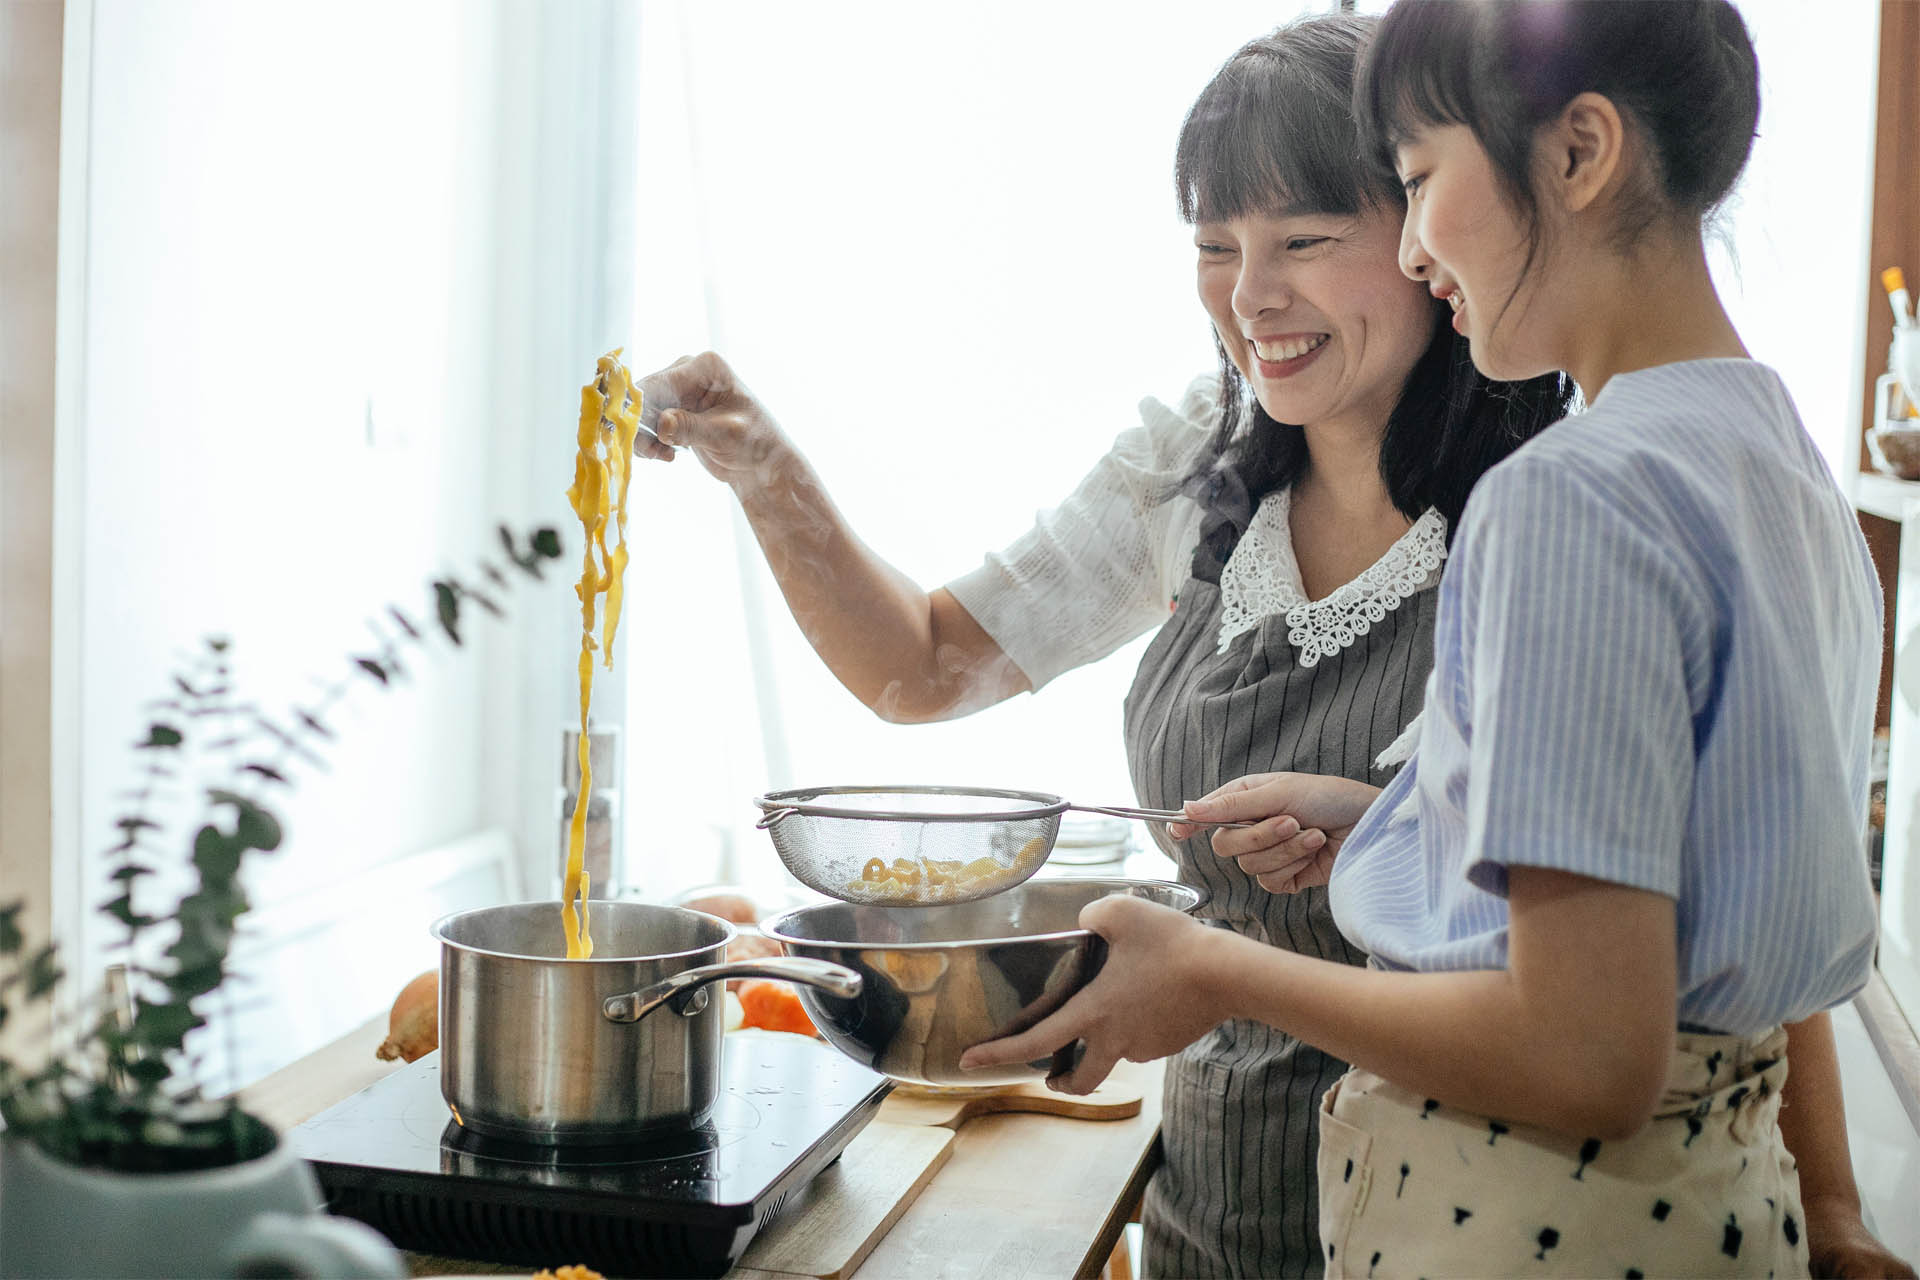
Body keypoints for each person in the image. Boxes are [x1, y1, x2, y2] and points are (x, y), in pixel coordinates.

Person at [961, 3, 1915, 1277]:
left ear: (1580, 154)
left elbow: (1584, 1054)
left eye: (1415, 183)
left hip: (1530, 1230)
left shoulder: (1569, 492)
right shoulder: (1788, 468)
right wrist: (1403, 816)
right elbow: (1704, 892)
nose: (1414, 250)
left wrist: (1218, 970)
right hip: (1730, 1213)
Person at [635, 16, 1569, 1276]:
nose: (1252, 297)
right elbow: (924, 664)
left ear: (1423, 234)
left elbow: (1682, 907)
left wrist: (1837, 1216)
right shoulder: (1192, 464)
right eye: (1214, 247)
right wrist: (759, 462)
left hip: (1474, 1220)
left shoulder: (1557, 504)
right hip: (1212, 1205)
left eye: (1303, 240)